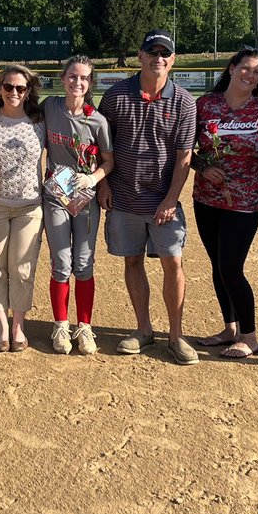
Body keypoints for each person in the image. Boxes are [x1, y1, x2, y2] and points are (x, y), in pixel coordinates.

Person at [97, 29, 198, 365]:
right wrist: (103, 185)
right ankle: (143, 330)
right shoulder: (114, 97)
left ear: (173, 60)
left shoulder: (183, 101)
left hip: (162, 201)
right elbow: (99, 146)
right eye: (152, 52)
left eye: (165, 54)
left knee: (173, 262)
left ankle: (176, 335)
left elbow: (184, 156)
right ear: (140, 56)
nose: (158, 59)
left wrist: (171, 198)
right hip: (124, 197)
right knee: (133, 261)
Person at [192, 49, 258, 358]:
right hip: (206, 197)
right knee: (217, 265)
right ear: (232, 68)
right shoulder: (205, 105)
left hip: (246, 198)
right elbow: (185, 149)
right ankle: (229, 328)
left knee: (231, 266)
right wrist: (203, 167)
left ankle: (249, 336)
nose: (250, 75)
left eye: (257, 72)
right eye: (245, 68)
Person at [41, 55, 114, 355]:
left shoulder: (97, 120)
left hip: (85, 199)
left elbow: (109, 161)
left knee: (83, 264)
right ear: (63, 78)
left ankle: (84, 326)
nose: (77, 82)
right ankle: (61, 323)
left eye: (84, 78)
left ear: (90, 83)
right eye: (72, 76)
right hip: (56, 197)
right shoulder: (50, 107)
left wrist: (94, 178)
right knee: (61, 263)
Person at [0, 65, 47, 352]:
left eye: (20, 88)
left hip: (29, 207)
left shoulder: (39, 119)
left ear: (28, 91)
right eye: (8, 87)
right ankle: (2, 326)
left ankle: (18, 327)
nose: (14, 92)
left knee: (23, 268)